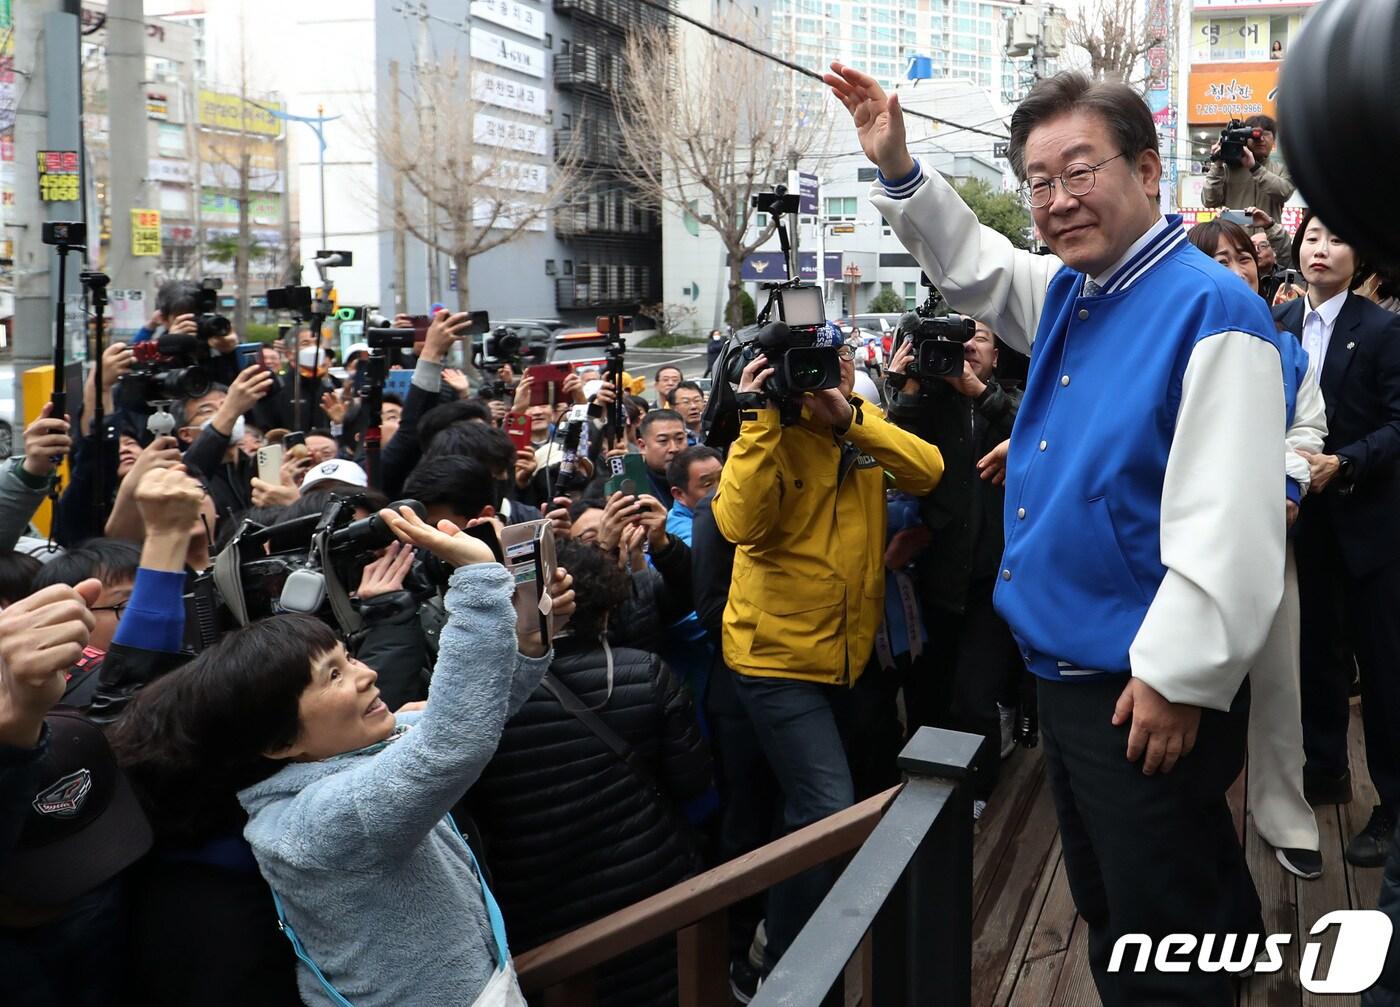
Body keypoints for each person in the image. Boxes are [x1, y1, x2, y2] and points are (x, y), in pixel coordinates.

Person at [828, 62, 1289, 1003]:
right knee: (1126, 899)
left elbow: (1232, 522)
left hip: (1141, 686)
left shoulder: (1213, 307)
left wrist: (1179, 675)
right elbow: (978, 266)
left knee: (1158, 931)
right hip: (1071, 673)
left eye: (1081, 171)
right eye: (1040, 182)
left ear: (1150, 171)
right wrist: (901, 170)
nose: (1056, 200)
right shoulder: (1083, 290)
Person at [112, 505, 573, 1006]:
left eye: (347, 656)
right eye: (332, 676)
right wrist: (478, 582)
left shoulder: (352, 757)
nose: (366, 674)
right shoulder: (312, 825)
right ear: (280, 744)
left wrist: (527, 636)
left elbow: (473, 709)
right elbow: (451, 743)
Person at [711, 329, 943, 976]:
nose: (825, 374)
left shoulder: (858, 430)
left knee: (824, 801)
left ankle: (803, 925)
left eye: (838, 360)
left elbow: (928, 470)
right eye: (808, 366)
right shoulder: (764, 439)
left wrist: (853, 417)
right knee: (824, 804)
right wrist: (757, 420)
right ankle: (777, 959)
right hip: (774, 661)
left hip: (847, 655)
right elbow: (740, 525)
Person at [466, 539, 710, 1006]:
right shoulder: (645, 673)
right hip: (653, 888)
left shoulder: (478, 704)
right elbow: (693, 782)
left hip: (540, 912)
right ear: (605, 608)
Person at [1187, 216, 1330, 879]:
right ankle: (1189, 817)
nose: (1236, 267)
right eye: (1217, 257)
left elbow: (1308, 427)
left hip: (1272, 538)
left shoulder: (1287, 348)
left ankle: (1283, 813)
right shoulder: (1174, 339)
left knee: (1278, 684)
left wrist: (1286, 490)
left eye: (1243, 256)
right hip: (1186, 546)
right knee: (1191, 686)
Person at [1275, 211, 1400, 868]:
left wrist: (1345, 462)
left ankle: (1393, 807)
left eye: (1337, 237)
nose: (1321, 249)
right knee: (1314, 651)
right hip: (1306, 525)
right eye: (1312, 237)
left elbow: (1398, 423)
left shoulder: (1382, 329)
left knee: (1383, 670)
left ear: (1363, 255)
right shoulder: (1283, 325)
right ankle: (1324, 769)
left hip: (1373, 526)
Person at [884, 319, 1024, 812]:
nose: (967, 346)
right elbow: (893, 452)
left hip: (995, 578)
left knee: (974, 695)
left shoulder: (1017, 400)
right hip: (934, 577)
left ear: (997, 356)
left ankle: (977, 794)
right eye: (958, 341)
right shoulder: (929, 404)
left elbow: (1036, 438)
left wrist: (977, 391)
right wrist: (906, 388)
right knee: (930, 692)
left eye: (980, 338)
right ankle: (928, 790)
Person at [1201, 113, 1294, 225]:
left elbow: (1284, 193)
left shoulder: (1280, 169)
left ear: (1274, 140)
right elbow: (1209, 201)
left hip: (1268, 240)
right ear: (1244, 138)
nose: (1261, 139)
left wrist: (1254, 168)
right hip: (1235, 239)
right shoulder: (1226, 169)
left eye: (1266, 134)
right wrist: (1217, 166)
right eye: (1255, 134)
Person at [634, 410, 689, 508]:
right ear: (642, 446)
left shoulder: (699, 475)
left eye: (680, 439)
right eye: (663, 441)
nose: (674, 448)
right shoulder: (635, 487)